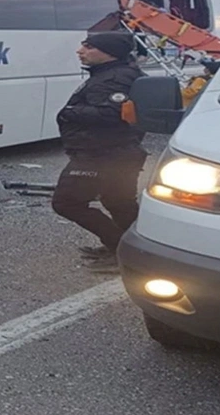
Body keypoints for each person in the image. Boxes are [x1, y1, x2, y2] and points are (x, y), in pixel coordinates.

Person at [52, 31, 147, 274]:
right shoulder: (113, 74)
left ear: (109, 52)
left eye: (89, 46)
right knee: (119, 202)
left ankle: (120, 249)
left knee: (67, 203)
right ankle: (136, 252)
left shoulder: (113, 80)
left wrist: (69, 112)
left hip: (102, 154)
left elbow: (110, 114)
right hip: (117, 153)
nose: (80, 50)